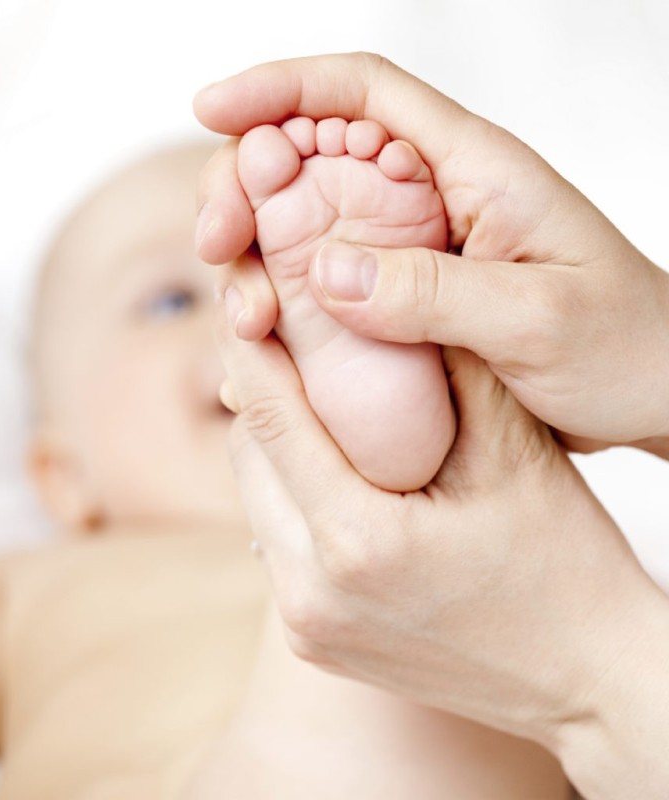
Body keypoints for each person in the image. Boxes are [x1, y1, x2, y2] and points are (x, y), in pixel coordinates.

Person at [0, 141, 568, 799]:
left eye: (289, 275)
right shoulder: (19, 593)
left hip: (360, 745)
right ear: (63, 476)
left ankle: (395, 486)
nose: (249, 318)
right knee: (418, 607)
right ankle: (390, 467)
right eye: (169, 301)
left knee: (450, 612)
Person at [193, 52, 669, 800]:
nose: (211, 318)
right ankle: (380, 413)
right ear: (57, 469)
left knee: (357, 703)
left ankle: (385, 438)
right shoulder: (31, 584)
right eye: (162, 303)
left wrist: (594, 679)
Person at [231, 116, 455, 490]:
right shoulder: (112, 544)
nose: (221, 310)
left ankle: (370, 389)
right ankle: (367, 381)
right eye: (171, 303)